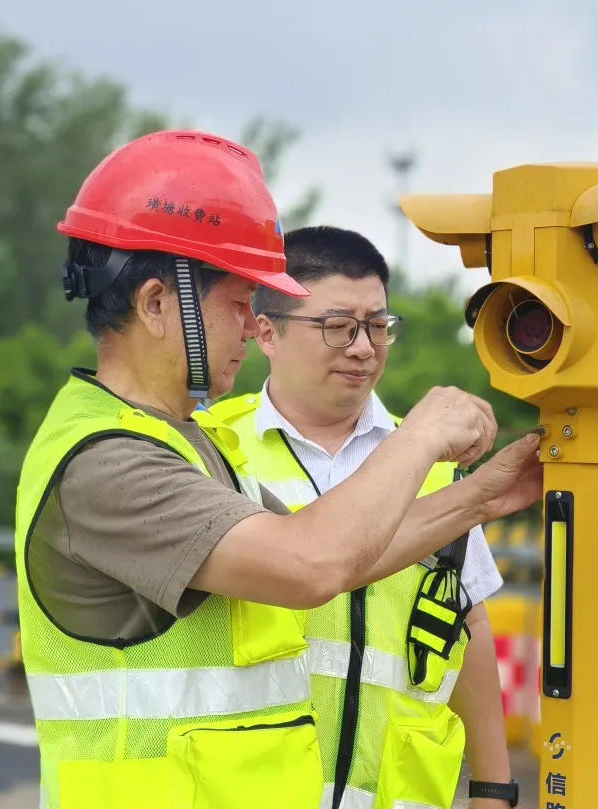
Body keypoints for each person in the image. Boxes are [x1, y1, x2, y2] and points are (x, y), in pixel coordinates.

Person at [13, 130, 543, 809]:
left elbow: (339, 555)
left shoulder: (176, 442)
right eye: (239, 304)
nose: (250, 326)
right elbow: (311, 564)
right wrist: (421, 434)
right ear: (155, 304)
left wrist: (478, 498)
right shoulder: (109, 462)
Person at [210, 226, 529, 809]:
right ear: (267, 332)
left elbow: (466, 622)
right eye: (337, 326)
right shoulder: (213, 450)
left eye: (378, 325)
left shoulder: (436, 466)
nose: (363, 347)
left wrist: (493, 789)